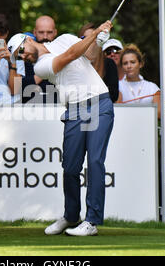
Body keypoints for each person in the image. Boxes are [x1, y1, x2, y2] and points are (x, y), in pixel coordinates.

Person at [7, 20, 114, 236]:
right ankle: (71, 216)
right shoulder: (40, 66)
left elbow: (89, 56)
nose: (23, 56)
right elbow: (70, 56)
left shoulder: (64, 38)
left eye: (22, 51)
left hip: (99, 104)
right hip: (74, 110)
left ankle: (91, 221)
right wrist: (93, 35)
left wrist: (99, 40)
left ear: (29, 40)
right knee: (71, 168)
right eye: (19, 56)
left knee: (94, 161)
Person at [116, 44, 161, 118]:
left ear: (140, 64)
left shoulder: (152, 88)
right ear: (122, 67)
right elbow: (117, 114)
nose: (129, 66)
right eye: (125, 63)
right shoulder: (117, 86)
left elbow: (159, 114)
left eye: (133, 62)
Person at [22, 15, 59, 104]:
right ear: (34, 32)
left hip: (59, 108)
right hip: (30, 109)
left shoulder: (62, 51)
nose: (45, 36)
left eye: (49, 32)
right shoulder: (25, 55)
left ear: (55, 32)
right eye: (41, 32)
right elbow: (18, 87)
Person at [78, 23, 118, 102]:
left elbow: (113, 96)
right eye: (84, 38)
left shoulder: (109, 64)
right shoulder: (74, 63)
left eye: (93, 37)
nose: (88, 41)